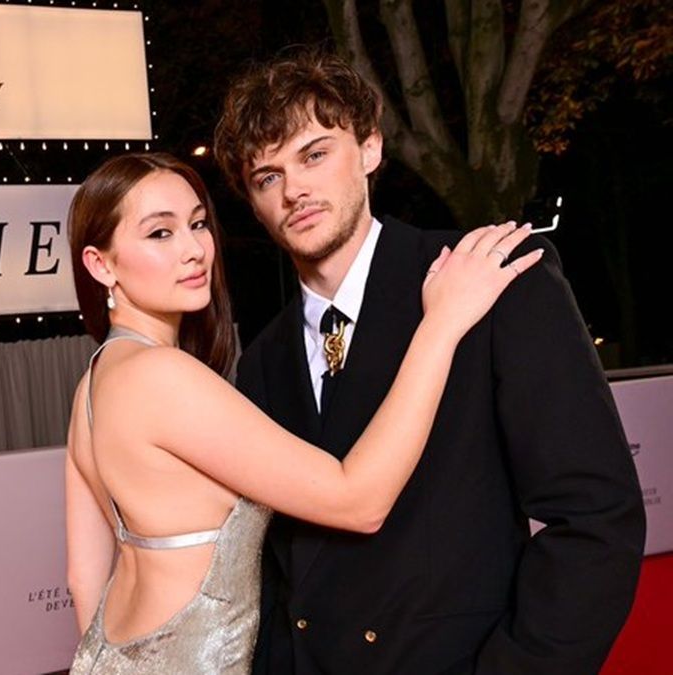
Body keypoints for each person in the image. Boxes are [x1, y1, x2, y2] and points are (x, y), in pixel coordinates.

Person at [212, 49, 646, 674]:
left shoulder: (492, 277)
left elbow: (595, 517)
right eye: (267, 177)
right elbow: (277, 568)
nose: (294, 190)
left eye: (314, 154)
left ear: (369, 148)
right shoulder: (260, 363)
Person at [63, 151, 543, 674]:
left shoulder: (95, 382)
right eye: (160, 233)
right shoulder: (162, 376)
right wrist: (441, 325)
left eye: (197, 224)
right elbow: (358, 501)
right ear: (100, 264)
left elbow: (83, 579)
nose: (194, 250)